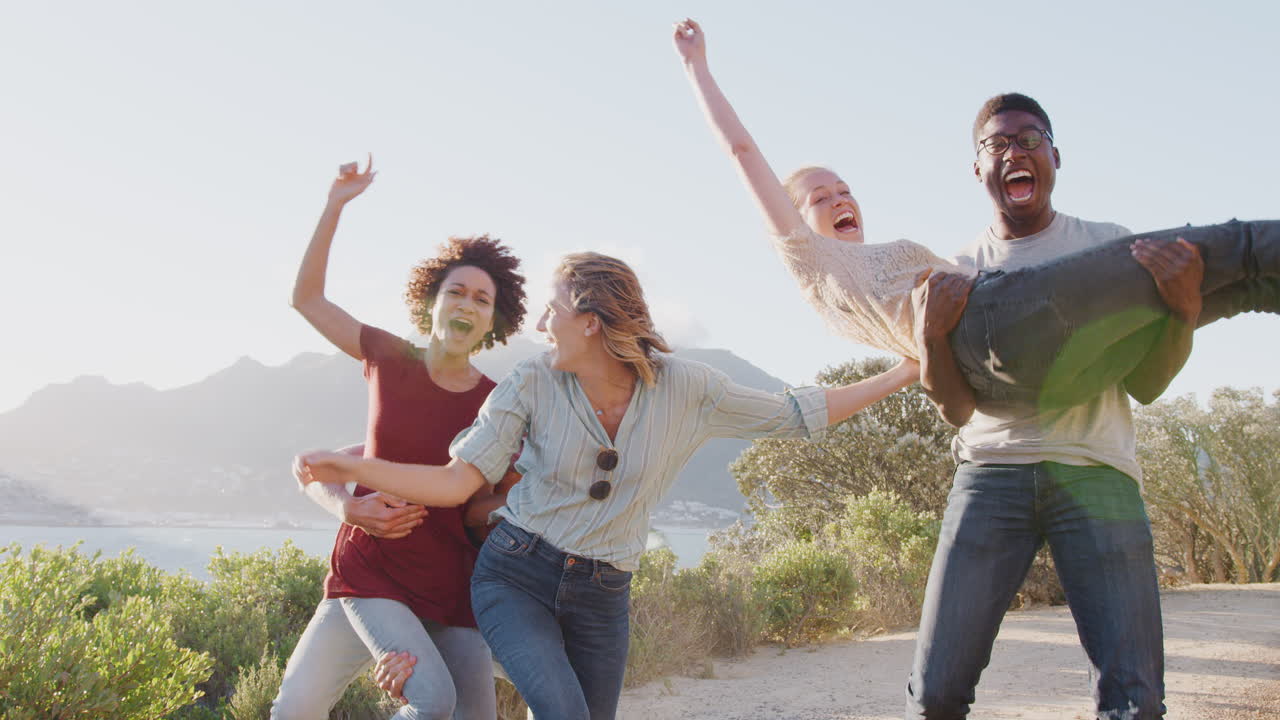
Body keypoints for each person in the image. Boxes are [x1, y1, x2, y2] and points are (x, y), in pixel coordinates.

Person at [297, 251, 921, 719]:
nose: (541, 324)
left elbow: (797, 411)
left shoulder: (688, 388)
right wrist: (351, 471)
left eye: (554, 311)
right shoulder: (531, 383)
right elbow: (457, 481)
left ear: (591, 322)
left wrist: (906, 371)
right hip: (516, 575)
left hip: (604, 593)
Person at [671, 19, 1278, 423]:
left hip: (1005, 369)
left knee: (1230, 289)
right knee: (1228, 249)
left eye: (844, 189)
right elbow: (742, 153)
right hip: (991, 330)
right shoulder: (809, 259)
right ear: (792, 221)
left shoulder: (870, 281)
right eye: (819, 196)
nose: (838, 199)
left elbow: (919, 364)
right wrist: (697, 67)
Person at [902, 92, 1207, 718]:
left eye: (1029, 138)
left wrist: (1183, 311)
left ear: (1055, 156)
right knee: (934, 693)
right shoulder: (955, 273)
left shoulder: (1112, 249)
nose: (1015, 151)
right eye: (997, 144)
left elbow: (1147, 383)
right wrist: (932, 335)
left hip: (1097, 473)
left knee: (1135, 698)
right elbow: (955, 409)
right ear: (978, 168)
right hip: (990, 477)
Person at [272, 157, 528, 720]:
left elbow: (483, 499)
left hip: (446, 586)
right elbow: (307, 300)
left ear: (494, 323)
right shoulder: (388, 358)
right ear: (431, 302)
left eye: (481, 300)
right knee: (298, 712)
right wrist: (334, 204)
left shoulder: (499, 400)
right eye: (455, 292)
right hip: (370, 573)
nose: (465, 304)